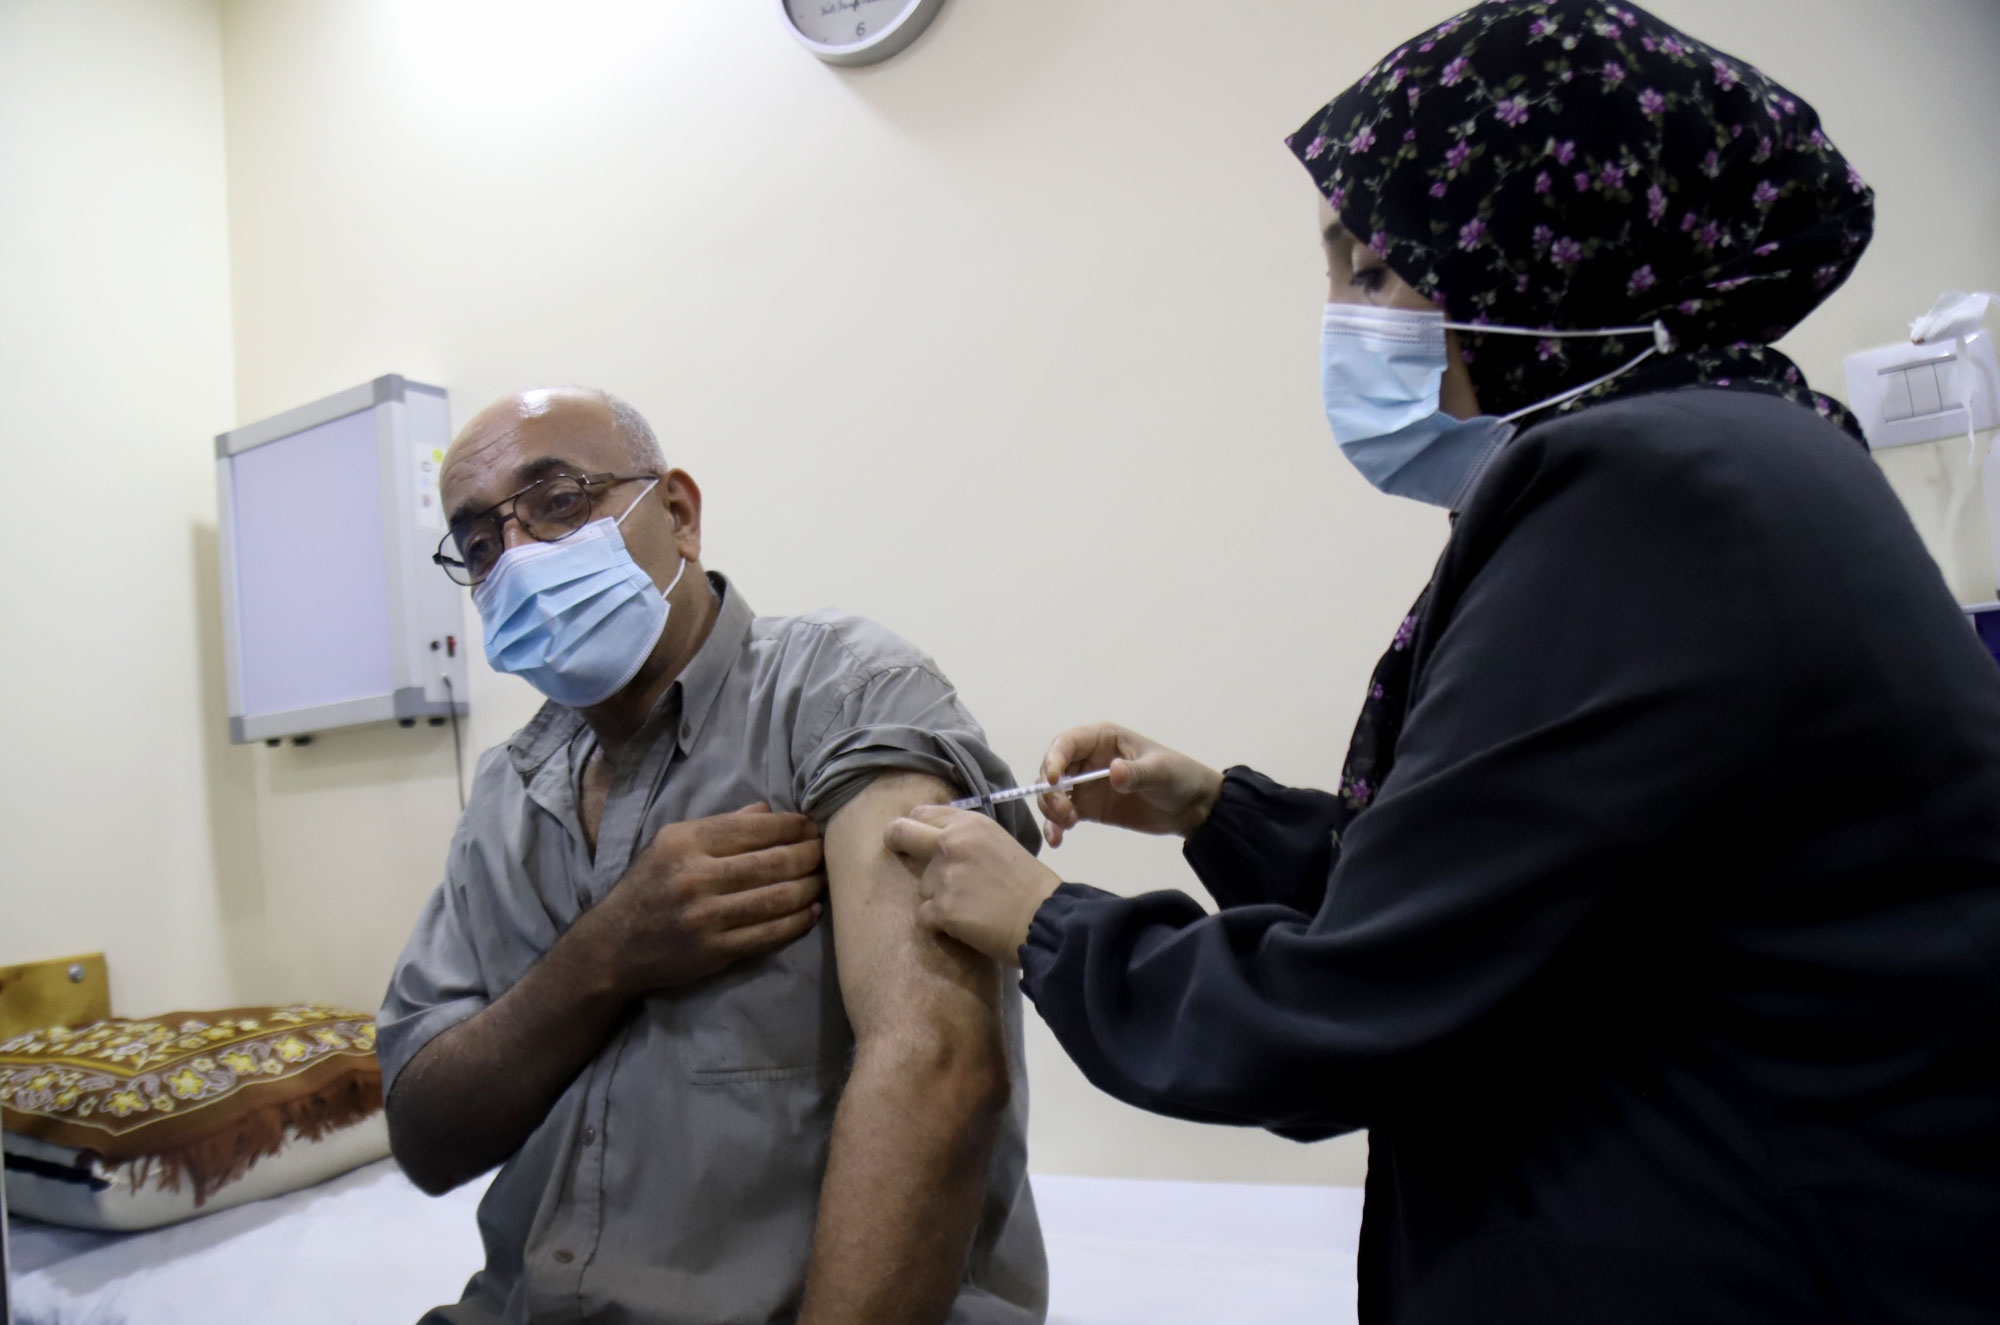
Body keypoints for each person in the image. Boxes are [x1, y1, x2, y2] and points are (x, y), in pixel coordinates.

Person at [885, 3, 2000, 1322]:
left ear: (1545, 243)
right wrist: (1214, 808)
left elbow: (1351, 1014)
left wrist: (1042, 921)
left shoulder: (1648, 496)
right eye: (1334, 268)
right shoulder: (1755, 447)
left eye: (1379, 269)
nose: (1347, 322)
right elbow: (1523, 902)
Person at [378, 387, 1046, 1324]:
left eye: (561, 502)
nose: (519, 561)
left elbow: (937, 1063)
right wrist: (604, 957)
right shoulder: (507, 795)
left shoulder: (841, 694)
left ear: (679, 515)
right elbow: (425, 1136)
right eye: (482, 546)